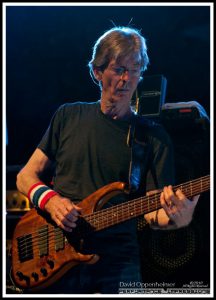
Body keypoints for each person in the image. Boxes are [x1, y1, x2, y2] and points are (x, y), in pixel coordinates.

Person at [16, 26, 199, 294]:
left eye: (135, 69)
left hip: (117, 262)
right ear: (97, 72)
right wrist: (51, 200)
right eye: (118, 69)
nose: (126, 78)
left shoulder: (154, 137)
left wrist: (178, 219)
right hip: (52, 251)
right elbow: (25, 176)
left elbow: (153, 212)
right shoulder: (68, 116)